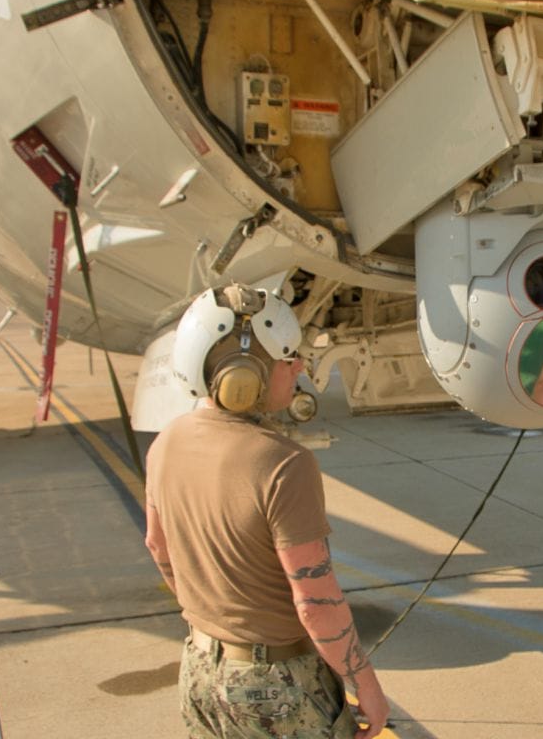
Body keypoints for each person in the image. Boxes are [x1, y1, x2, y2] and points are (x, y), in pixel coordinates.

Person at [144, 284, 389, 739]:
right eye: (286, 358)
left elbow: (158, 546)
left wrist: (213, 617)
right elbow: (316, 603)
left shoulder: (165, 443)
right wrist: (365, 684)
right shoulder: (285, 463)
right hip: (276, 690)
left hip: (199, 671)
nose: (299, 367)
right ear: (243, 375)